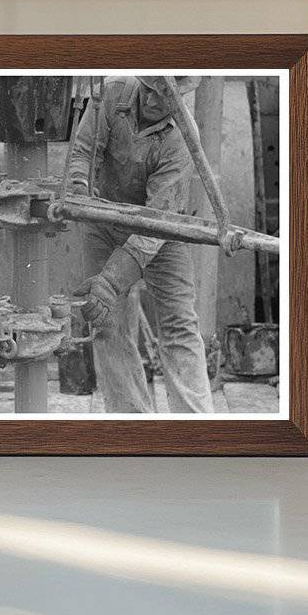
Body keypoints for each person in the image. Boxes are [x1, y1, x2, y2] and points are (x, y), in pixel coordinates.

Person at [67, 75, 233, 414]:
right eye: (150, 90)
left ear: (182, 95)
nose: (154, 101)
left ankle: (195, 425)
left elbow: (155, 223)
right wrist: (78, 188)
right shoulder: (112, 94)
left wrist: (111, 281)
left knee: (179, 324)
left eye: (165, 96)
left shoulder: (183, 138)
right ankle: (130, 422)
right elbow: (83, 149)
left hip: (163, 231)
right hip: (105, 221)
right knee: (107, 323)